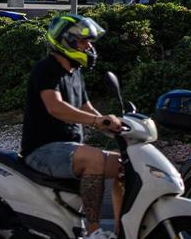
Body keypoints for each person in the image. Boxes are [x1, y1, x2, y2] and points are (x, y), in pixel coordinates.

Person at [21, 14, 122, 239]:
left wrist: (115, 127)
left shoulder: (75, 72)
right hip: (41, 150)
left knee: (124, 166)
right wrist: (97, 121)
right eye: (83, 41)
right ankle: (93, 232)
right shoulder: (46, 69)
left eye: (89, 42)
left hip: (68, 148)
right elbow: (55, 107)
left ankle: (120, 231)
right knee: (94, 158)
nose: (89, 46)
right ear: (65, 41)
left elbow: (87, 109)